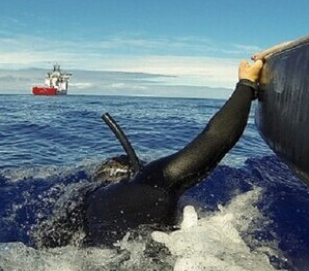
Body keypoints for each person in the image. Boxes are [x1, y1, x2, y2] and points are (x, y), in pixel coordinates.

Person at [32, 58, 264, 247]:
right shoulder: (147, 182)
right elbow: (215, 139)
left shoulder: (78, 202)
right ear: (133, 172)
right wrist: (247, 84)